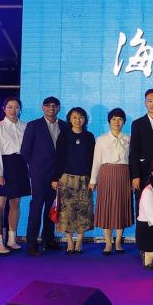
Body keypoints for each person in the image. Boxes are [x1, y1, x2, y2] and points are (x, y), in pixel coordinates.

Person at [21, 96, 69, 256]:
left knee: (52, 208)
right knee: (36, 208)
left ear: (59, 108)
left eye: (54, 106)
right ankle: (32, 244)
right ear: (43, 108)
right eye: (48, 106)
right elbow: (25, 150)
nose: (51, 108)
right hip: (39, 175)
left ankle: (48, 240)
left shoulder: (65, 126)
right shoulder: (33, 125)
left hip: (58, 175)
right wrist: (36, 168)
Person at [51, 107, 95, 254]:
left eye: (81, 117)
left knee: (84, 211)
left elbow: (93, 160)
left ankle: (79, 242)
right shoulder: (64, 135)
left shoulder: (89, 137)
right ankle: (69, 242)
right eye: (75, 117)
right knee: (66, 212)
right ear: (70, 119)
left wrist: (93, 179)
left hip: (85, 179)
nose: (78, 120)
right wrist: (55, 178)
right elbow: (58, 158)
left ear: (85, 119)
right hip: (67, 178)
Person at [90, 108, 132, 254]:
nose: (116, 122)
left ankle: (118, 242)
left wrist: (133, 179)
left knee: (121, 207)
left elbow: (132, 160)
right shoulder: (101, 139)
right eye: (113, 119)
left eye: (120, 119)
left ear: (124, 122)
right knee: (106, 207)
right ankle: (108, 243)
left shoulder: (129, 139)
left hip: (124, 175)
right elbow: (96, 160)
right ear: (109, 122)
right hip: (106, 174)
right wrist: (93, 180)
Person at [0, 96, 28, 254]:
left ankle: (12, 240)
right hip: (4, 164)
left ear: (20, 109)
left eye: (16, 107)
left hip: (20, 165)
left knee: (15, 204)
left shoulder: (25, 126)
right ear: (4, 109)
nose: (13, 110)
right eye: (10, 107)